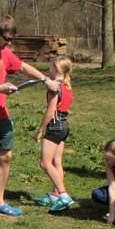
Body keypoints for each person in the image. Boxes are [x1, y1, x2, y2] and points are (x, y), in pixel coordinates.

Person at [0, 14, 60, 223]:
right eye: (6, 39)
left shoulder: (4, 53)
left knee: (5, 157)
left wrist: (45, 79)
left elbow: (22, 67)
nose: (8, 44)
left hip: (1, 114)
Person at [34, 55, 74, 212]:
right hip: (64, 125)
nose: (48, 69)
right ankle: (54, 194)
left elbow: (51, 111)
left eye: (51, 67)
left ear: (56, 70)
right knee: (57, 162)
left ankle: (63, 195)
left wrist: (41, 129)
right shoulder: (67, 86)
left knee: (45, 163)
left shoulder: (54, 88)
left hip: (55, 126)